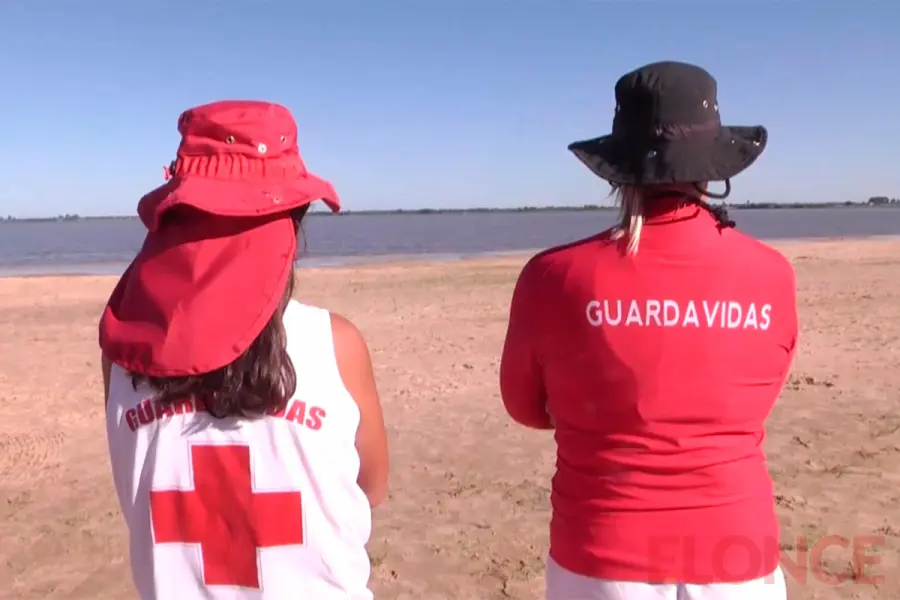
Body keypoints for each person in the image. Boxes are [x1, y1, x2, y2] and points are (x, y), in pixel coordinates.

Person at [499, 62, 798, 600]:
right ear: (712, 164)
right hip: (737, 550)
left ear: (620, 168)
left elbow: (525, 407)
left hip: (602, 555)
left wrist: (600, 412)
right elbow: (752, 401)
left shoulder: (553, 276)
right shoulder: (772, 273)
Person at [100, 100, 389, 600]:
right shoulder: (335, 344)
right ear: (292, 222)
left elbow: (135, 496)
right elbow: (372, 487)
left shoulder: (123, 352)